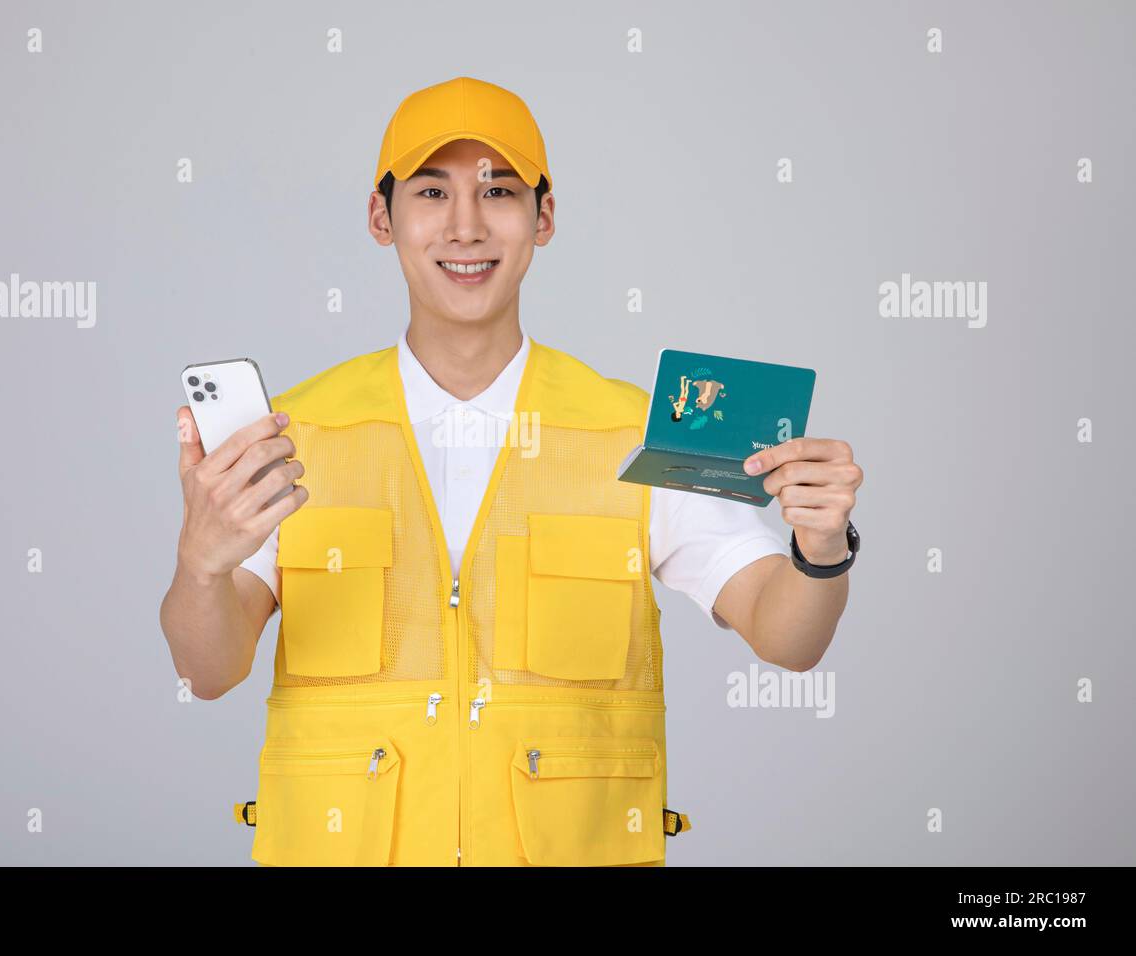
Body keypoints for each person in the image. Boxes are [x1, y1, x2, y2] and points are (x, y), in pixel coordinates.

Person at [159, 76, 864, 867]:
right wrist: (201, 562)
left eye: (498, 190)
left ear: (544, 217)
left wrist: (820, 546)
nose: (466, 227)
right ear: (380, 217)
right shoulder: (291, 435)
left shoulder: (634, 434)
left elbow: (786, 637)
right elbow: (209, 669)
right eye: (432, 192)